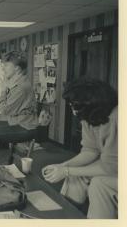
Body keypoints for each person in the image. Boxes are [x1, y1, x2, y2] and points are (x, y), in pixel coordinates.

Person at [42, 79, 117, 219]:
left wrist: (66, 171)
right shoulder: (88, 116)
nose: (74, 112)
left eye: (75, 106)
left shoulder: (116, 119)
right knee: (75, 176)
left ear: (92, 103)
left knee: (99, 185)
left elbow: (111, 167)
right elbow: (90, 150)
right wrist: (63, 166)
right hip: (112, 166)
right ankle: (65, 217)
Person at [0, 51, 38, 158]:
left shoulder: (21, 87)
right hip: (15, 122)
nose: (3, 69)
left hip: (25, 127)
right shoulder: (15, 81)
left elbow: (5, 110)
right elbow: (1, 75)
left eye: (6, 66)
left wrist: (3, 91)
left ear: (17, 69)